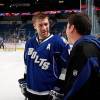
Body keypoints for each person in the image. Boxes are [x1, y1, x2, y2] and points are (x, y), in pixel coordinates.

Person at [23, 12, 69, 100]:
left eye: (46, 24)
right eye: (40, 25)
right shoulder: (29, 43)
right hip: (31, 91)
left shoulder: (59, 42)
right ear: (34, 26)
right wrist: (25, 78)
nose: (44, 28)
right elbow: (26, 64)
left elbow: (66, 67)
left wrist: (60, 84)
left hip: (50, 93)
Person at [63, 12, 100, 100]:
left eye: (67, 26)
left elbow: (75, 86)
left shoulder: (82, 49)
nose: (66, 31)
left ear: (72, 28)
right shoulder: (92, 45)